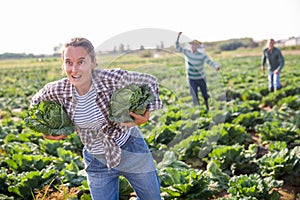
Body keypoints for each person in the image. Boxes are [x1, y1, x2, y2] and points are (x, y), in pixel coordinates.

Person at [30, 37, 163, 200]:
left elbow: (150, 82)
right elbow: (35, 105)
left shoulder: (110, 79)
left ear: (93, 62)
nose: (74, 69)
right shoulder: (58, 90)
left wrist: (145, 114)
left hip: (130, 149)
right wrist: (47, 131)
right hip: (96, 158)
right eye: (68, 62)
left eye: (81, 62)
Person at [176, 32, 220, 110]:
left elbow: (209, 61)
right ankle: (197, 111)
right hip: (191, 78)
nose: (193, 46)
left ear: (198, 46)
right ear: (190, 45)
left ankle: (207, 107)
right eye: (192, 44)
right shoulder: (187, 52)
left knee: (205, 94)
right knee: (194, 95)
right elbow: (177, 47)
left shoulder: (202, 55)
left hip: (201, 78)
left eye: (195, 44)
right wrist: (178, 37)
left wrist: (215, 66)